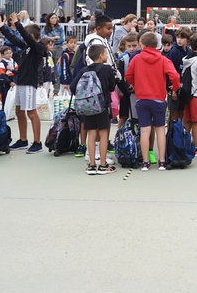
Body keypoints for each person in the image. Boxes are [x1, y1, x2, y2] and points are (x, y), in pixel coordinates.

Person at [126, 32, 180, 171]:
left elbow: (128, 75)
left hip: (142, 98)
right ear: (157, 45)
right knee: (160, 129)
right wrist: (174, 89)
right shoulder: (163, 59)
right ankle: (162, 161)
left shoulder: (137, 59)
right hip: (159, 98)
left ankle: (145, 162)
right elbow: (174, 75)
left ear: (142, 45)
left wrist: (136, 84)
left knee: (145, 130)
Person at [0, 13, 46, 154]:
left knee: (31, 112)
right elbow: (13, 38)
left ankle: (37, 142)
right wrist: (2, 27)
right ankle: (23, 140)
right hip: (20, 82)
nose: (22, 38)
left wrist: (18, 24)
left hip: (29, 83)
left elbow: (25, 37)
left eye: (26, 35)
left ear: (31, 36)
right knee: (19, 111)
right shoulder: (26, 48)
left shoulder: (38, 48)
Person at [72, 43, 119, 175]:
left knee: (91, 134)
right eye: (105, 53)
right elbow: (111, 87)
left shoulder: (84, 70)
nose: (106, 55)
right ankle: (103, 165)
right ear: (101, 55)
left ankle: (92, 165)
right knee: (103, 134)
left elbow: (73, 87)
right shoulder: (106, 69)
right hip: (102, 106)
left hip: (88, 106)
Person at [43, 14, 66, 94]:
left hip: (58, 49)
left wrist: (49, 38)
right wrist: (54, 38)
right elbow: (43, 40)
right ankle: (47, 89)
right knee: (48, 69)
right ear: (49, 19)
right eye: (52, 18)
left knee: (57, 69)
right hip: (48, 50)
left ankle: (56, 90)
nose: (54, 19)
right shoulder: (45, 29)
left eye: (55, 18)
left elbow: (62, 39)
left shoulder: (60, 28)